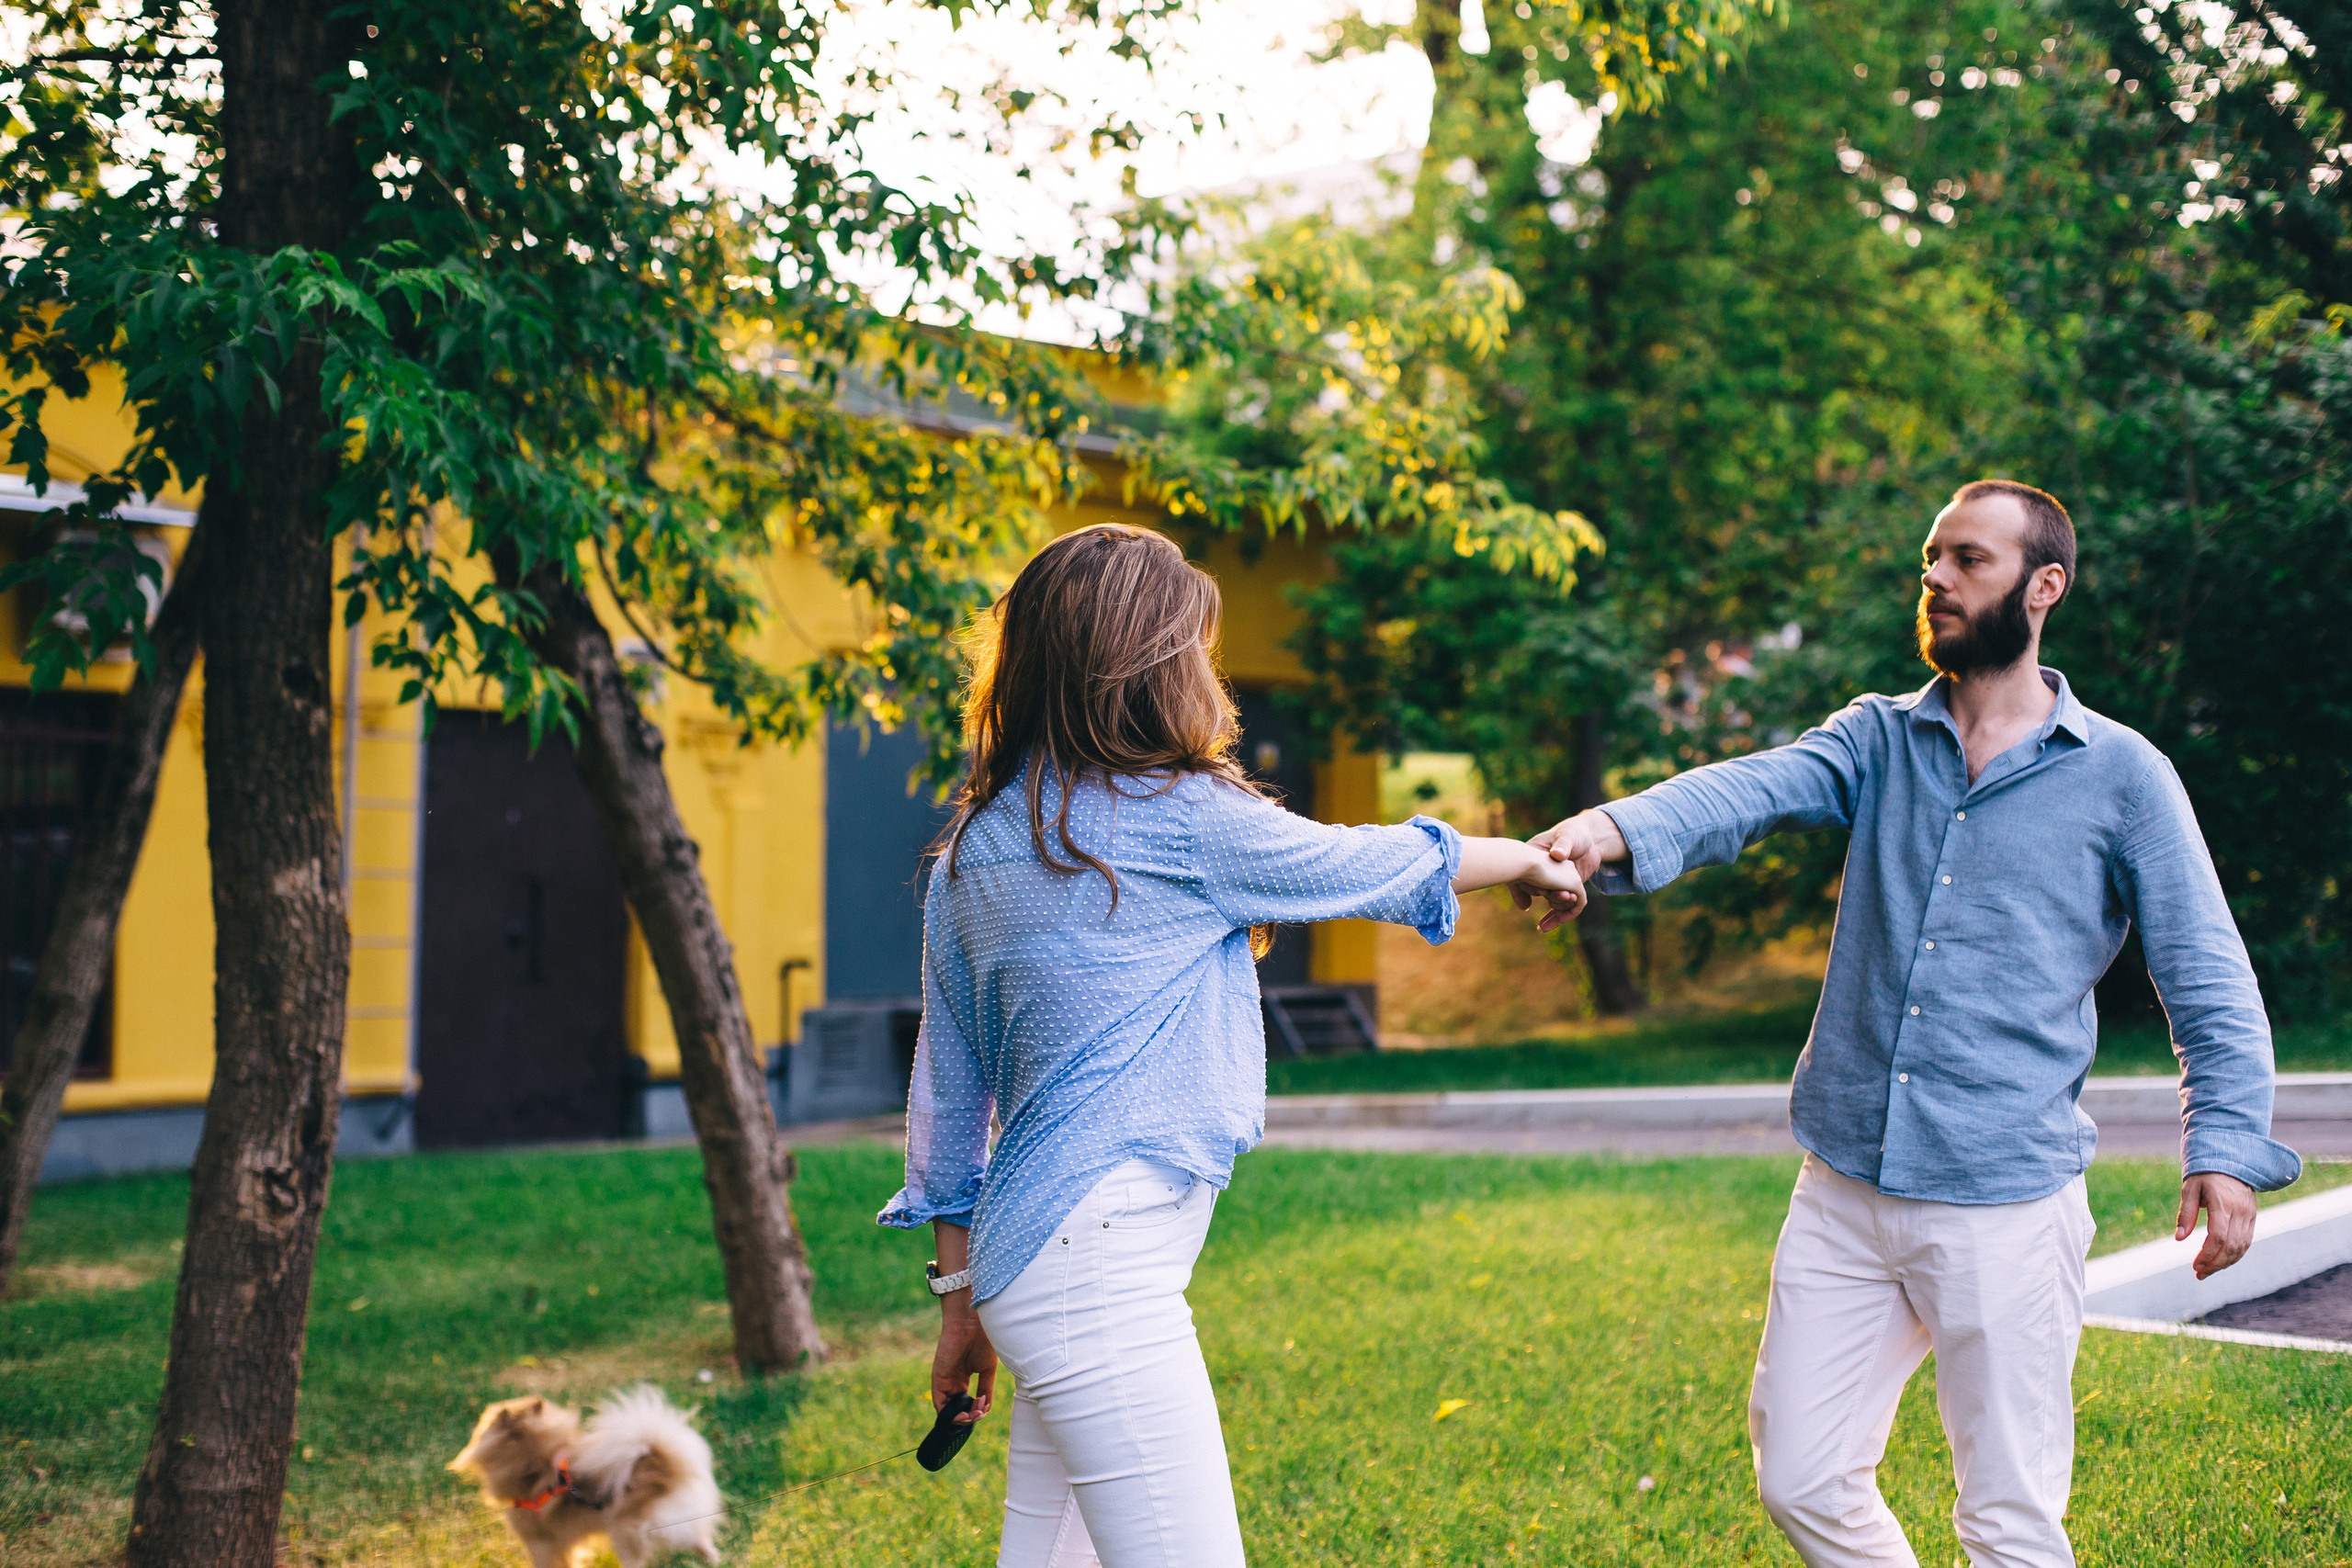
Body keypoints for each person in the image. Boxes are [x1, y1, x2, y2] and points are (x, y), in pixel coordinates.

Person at [1531, 479, 2301, 1568]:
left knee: (2008, 1521)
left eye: (1965, 561)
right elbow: (1749, 789)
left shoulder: (2123, 776)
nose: (1934, 577)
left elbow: (2206, 972)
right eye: (1931, 558)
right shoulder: (1877, 741)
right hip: (1844, 1188)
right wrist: (1609, 830)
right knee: (1800, 1476)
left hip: (2004, 1203)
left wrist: (2222, 1149)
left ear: (2043, 587)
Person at [877, 523, 1586, 1568]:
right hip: (1096, 1269)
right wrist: (1525, 859)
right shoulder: (1177, 817)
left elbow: (949, 1094)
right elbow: (1368, 864)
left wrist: (961, 1304)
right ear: (1150, 664)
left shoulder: (972, 849)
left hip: (1031, 1267)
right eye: (1193, 649)